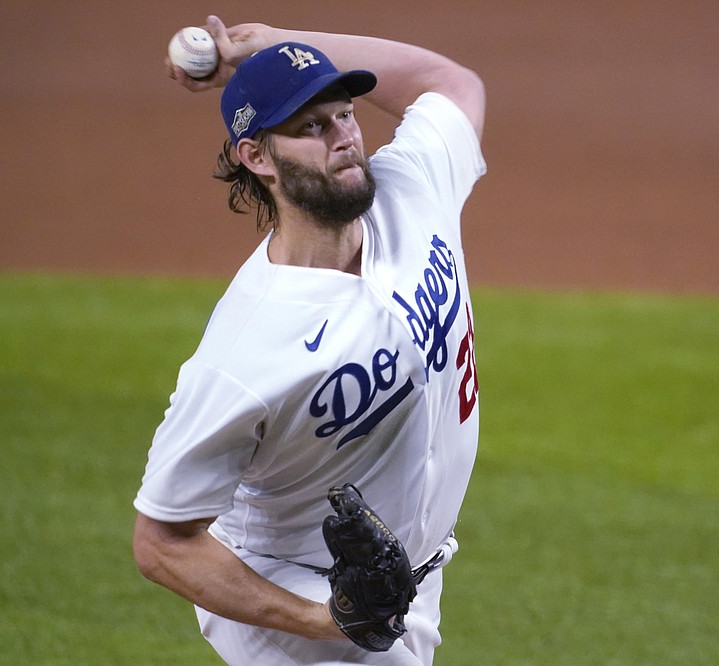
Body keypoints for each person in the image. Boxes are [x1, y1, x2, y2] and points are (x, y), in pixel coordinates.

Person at [132, 14, 486, 666]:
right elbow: (161, 540)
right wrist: (323, 619)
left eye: (345, 114)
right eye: (311, 128)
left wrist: (280, 49)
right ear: (256, 155)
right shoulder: (246, 350)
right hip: (293, 596)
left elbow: (447, 82)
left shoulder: (413, 187)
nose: (344, 139)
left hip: (406, 586)